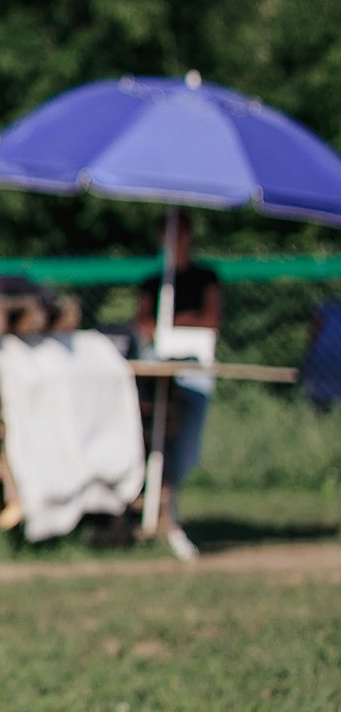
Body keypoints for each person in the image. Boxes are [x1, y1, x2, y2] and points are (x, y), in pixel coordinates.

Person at [134, 212, 222, 524]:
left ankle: (166, 507)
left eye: (181, 234)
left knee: (184, 449)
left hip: (193, 373)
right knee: (150, 436)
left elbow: (211, 321)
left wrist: (173, 322)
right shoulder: (153, 282)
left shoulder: (205, 278)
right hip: (157, 370)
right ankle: (150, 510)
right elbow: (143, 325)